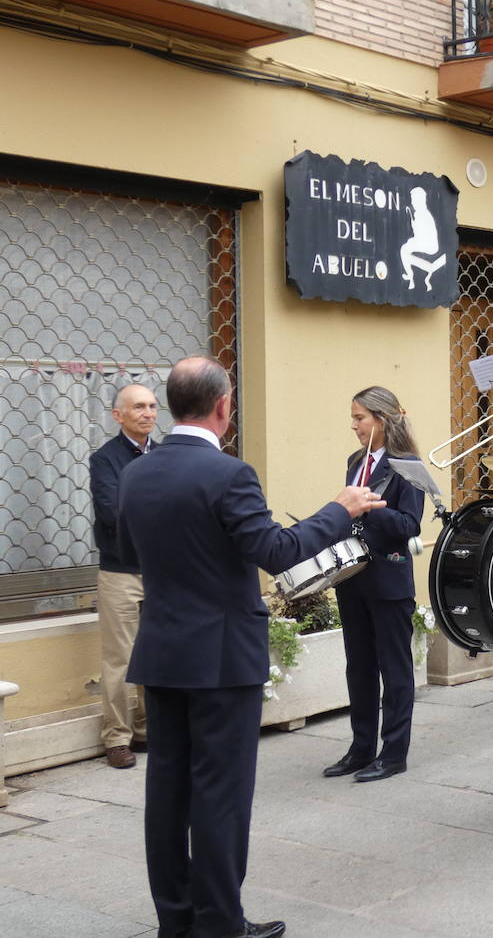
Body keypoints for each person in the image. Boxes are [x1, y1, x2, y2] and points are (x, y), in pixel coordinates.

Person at [117, 357, 381, 938]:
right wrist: (341, 510)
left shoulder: (136, 472)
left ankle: (176, 920)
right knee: (221, 794)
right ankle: (219, 923)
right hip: (220, 656)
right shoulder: (229, 474)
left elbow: (132, 553)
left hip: (161, 650)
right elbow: (278, 551)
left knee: (167, 792)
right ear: (222, 408)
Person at [320, 387, 425, 783]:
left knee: (394, 670)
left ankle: (393, 752)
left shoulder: (406, 465)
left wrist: (369, 508)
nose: (354, 425)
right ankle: (360, 748)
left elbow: (409, 526)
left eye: (360, 418)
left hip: (388, 577)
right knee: (359, 667)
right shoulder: (354, 461)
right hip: (353, 576)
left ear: (381, 419)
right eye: (353, 417)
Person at [89, 382, 158, 769]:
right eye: (138, 407)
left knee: (157, 652)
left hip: (161, 571)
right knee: (120, 660)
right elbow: (110, 513)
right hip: (120, 573)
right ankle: (117, 738)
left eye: (151, 406)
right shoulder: (105, 459)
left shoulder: (165, 455)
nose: (148, 413)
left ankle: (149, 731)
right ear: (119, 415)